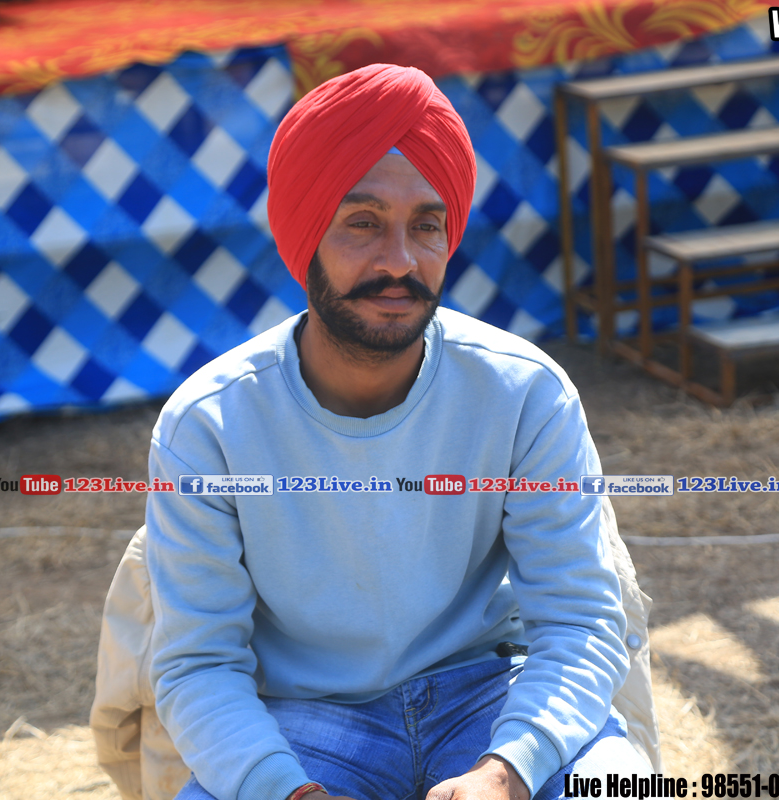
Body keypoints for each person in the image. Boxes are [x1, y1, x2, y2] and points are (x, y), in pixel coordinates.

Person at [108, 63, 659, 800]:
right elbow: (199, 665)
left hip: (493, 696)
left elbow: (579, 621)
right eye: (363, 223)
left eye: (426, 226)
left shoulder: (523, 392)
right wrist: (287, 791)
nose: (399, 262)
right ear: (305, 233)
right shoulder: (210, 423)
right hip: (303, 724)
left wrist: (508, 771)